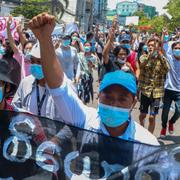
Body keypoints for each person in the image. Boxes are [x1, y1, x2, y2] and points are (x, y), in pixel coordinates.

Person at [28, 13, 159, 145]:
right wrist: (44, 39)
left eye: (122, 99)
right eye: (108, 97)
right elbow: (59, 88)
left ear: (133, 102)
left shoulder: (147, 143)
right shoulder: (85, 120)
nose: (113, 104)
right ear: (98, 97)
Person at [12, 43, 63, 121]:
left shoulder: (60, 88)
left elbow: (67, 122)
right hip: (27, 132)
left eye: (39, 62)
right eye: (32, 61)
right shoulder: (25, 82)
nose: (35, 65)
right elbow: (15, 108)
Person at [138, 38, 169, 134]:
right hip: (145, 91)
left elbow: (167, 69)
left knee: (152, 117)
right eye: (150, 45)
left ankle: (149, 137)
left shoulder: (162, 59)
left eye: (153, 45)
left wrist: (159, 55)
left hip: (157, 93)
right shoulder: (143, 57)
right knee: (142, 115)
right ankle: (141, 128)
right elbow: (142, 65)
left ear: (158, 47)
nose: (151, 47)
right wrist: (150, 56)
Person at [160, 40, 180, 137]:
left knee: (179, 111)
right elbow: (161, 46)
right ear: (172, 50)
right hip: (168, 89)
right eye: (176, 48)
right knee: (165, 112)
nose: (178, 50)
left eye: (179, 48)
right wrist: (163, 35)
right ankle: (164, 127)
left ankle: (171, 122)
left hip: (179, 91)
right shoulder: (169, 58)